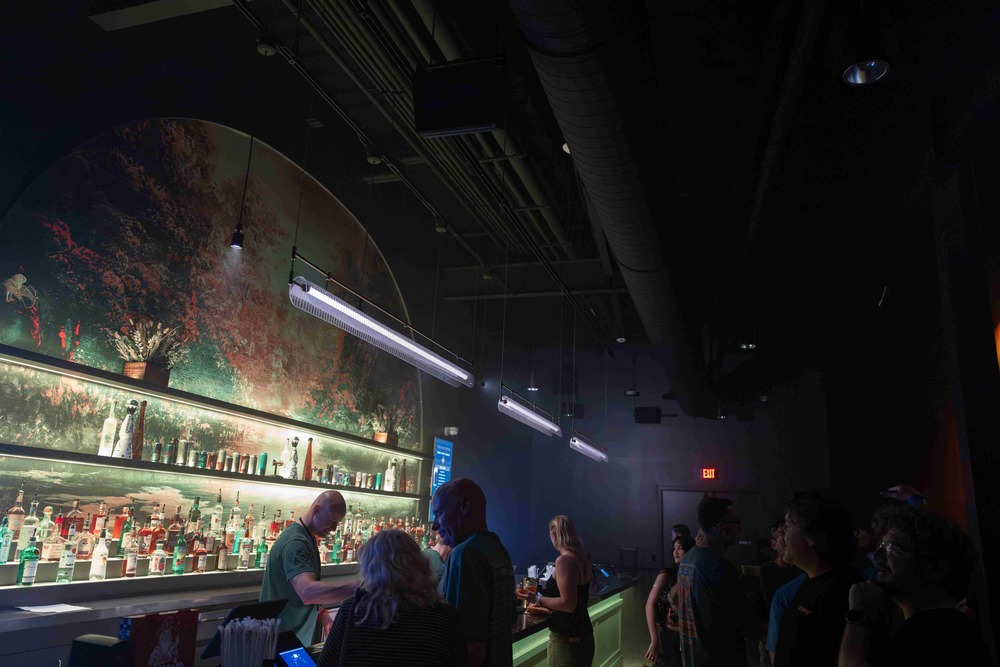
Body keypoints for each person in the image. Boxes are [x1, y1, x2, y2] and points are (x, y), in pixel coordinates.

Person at [838, 507, 990, 666]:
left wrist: (859, 615)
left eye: (892, 548)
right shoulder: (943, 625)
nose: (876, 556)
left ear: (935, 567)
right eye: (881, 546)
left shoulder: (937, 634)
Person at [318, 529, 471, 666]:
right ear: (420, 563)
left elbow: (327, 663)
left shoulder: (353, 610)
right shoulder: (446, 617)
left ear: (371, 569)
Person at [432, 478, 515, 667]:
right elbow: (509, 620)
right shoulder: (498, 549)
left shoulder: (465, 554)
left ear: (465, 506)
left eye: (439, 513)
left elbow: (470, 649)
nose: (434, 525)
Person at [772, 490, 858, 667]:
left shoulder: (841, 593)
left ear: (811, 536)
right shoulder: (813, 581)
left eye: (787, 526)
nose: (781, 533)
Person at [260, 490, 355, 647]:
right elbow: (307, 592)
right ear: (317, 510)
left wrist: (322, 614)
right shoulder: (296, 543)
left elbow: (296, 593)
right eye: (331, 521)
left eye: (337, 523)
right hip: (279, 643)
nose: (333, 529)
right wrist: (360, 587)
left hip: (290, 639)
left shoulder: (306, 536)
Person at [676, 496, 762, 666]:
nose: (740, 528)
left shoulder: (687, 559)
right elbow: (750, 628)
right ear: (721, 527)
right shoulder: (719, 568)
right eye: (736, 523)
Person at [514, 515, 594, 667]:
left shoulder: (564, 560)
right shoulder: (581, 559)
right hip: (584, 634)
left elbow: (568, 604)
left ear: (555, 535)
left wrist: (536, 599)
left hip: (566, 639)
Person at [645, 534, 696, 666]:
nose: (675, 551)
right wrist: (654, 639)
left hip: (687, 637)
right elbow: (649, 605)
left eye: (680, 548)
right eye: (674, 548)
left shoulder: (694, 575)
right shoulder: (666, 574)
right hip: (667, 635)